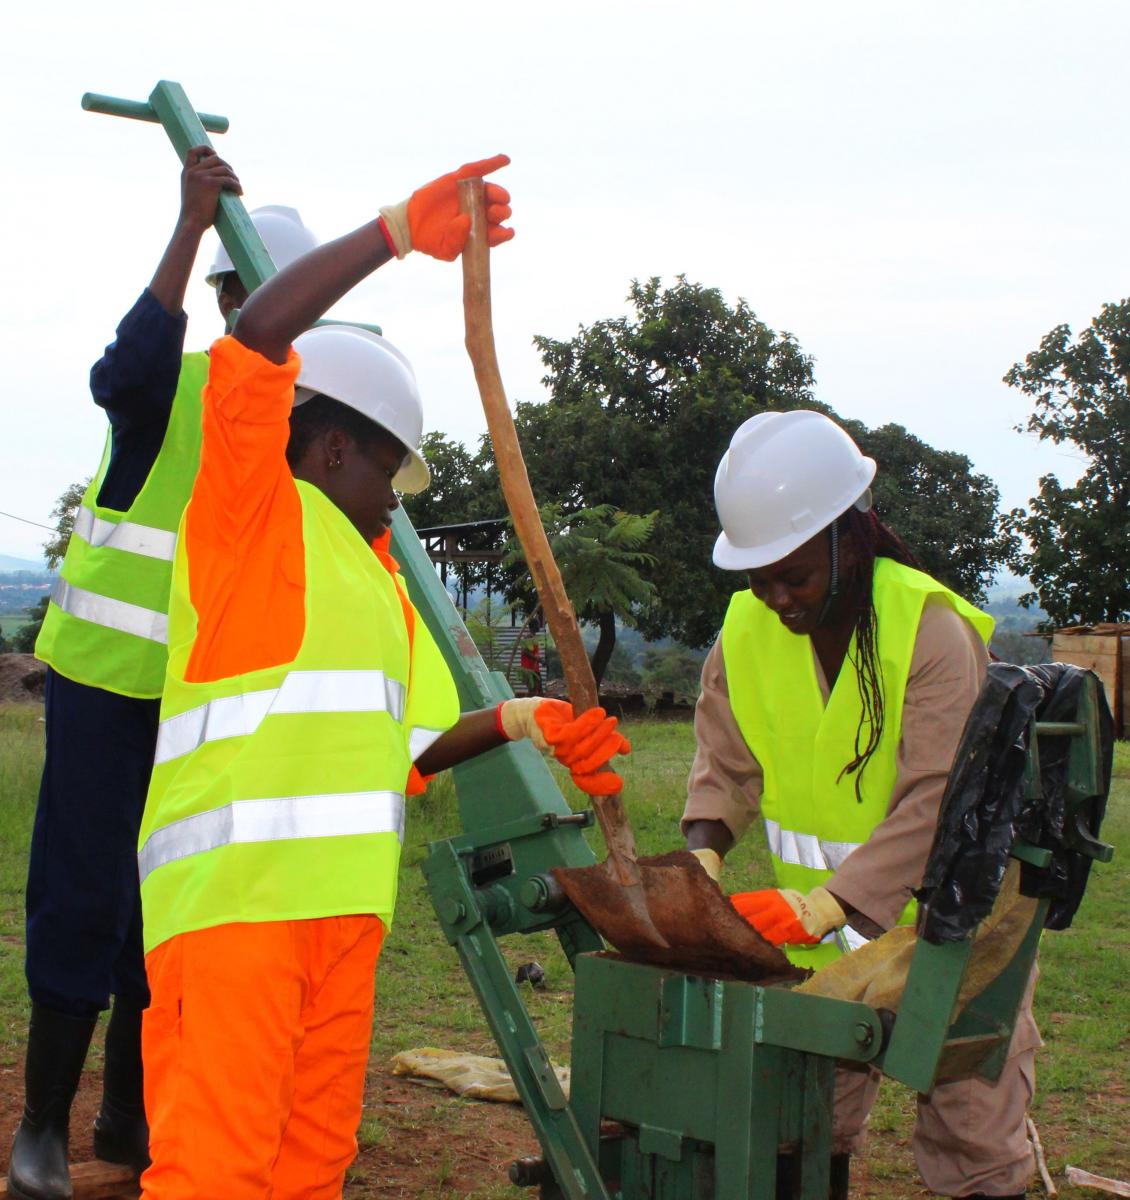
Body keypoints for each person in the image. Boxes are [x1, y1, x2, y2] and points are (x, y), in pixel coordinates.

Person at [134, 154, 629, 1200]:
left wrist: (520, 720)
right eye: (386, 474)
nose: (396, 505)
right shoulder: (248, 520)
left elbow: (407, 752)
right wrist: (395, 231)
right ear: (318, 447)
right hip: (233, 917)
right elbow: (257, 338)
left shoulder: (380, 587)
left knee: (311, 1165)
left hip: (344, 920)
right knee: (215, 1169)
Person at [10, 147, 302, 1200]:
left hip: (208, 709)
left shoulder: (297, 426)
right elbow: (119, 370)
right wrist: (187, 227)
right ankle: (42, 1124)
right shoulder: (168, 388)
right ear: (227, 300)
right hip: (104, 690)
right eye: (248, 292)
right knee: (83, 897)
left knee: (170, 904)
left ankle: (131, 1116)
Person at [682, 410, 1038, 1200]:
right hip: (822, 941)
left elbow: (938, 798)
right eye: (758, 577)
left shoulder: (931, 630)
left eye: (794, 575)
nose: (775, 597)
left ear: (851, 535)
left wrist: (829, 902)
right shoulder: (746, 630)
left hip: (948, 925)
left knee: (969, 1122)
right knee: (799, 1121)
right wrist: (703, 850)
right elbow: (724, 761)